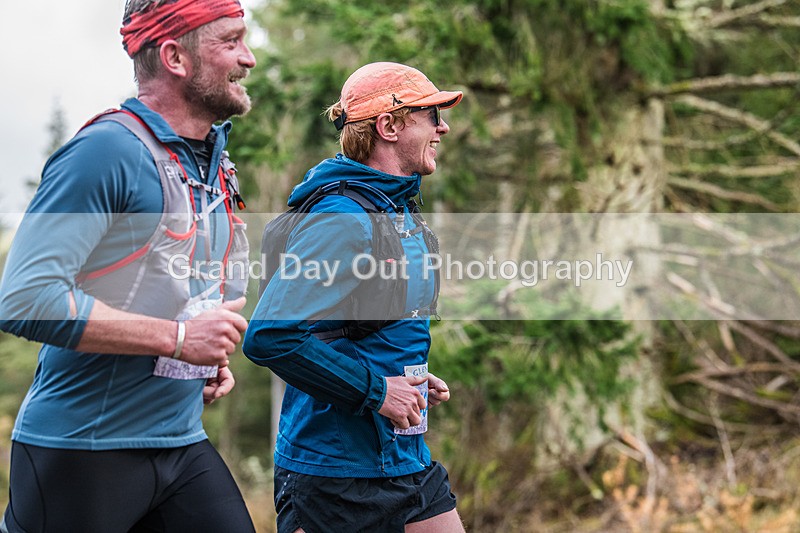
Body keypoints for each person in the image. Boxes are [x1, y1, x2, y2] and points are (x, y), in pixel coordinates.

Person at [0, 0, 257, 531]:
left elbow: (168, 289)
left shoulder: (211, 164)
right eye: (230, 42)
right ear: (175, 57)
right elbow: (24, 298)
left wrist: (198, 360)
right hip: (79, 453)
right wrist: (179, 340)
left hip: (180, 443)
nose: (248, 58)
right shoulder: (106, 151)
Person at [243, 62, 466, 532]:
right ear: (389, 126)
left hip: (405, 459)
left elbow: (360, 328)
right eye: (431, 115)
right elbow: (270, 336)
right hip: (333, 473)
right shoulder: (341, 216)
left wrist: (404, 378)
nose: (443, 127)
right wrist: (379, 390)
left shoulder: (397, 209)